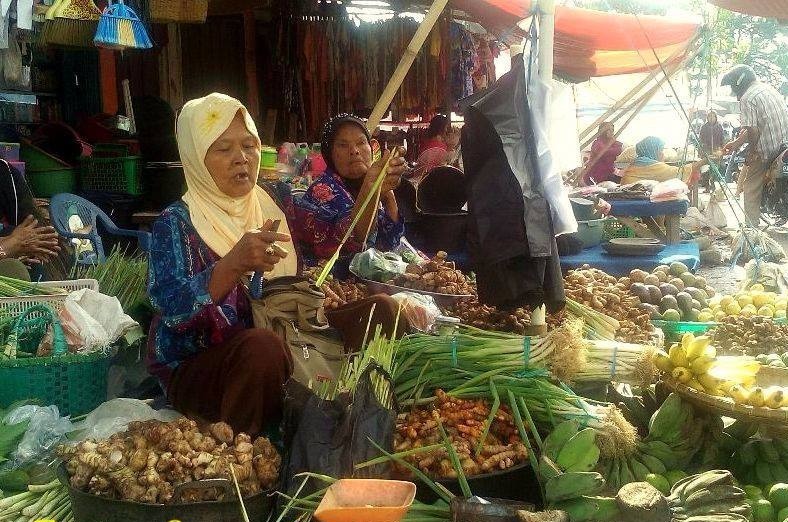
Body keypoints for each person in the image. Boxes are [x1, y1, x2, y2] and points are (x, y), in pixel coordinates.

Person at [147, 96, 404, 436]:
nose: (241, 158)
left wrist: (371, 191)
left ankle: (382, 423)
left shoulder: (275, 200)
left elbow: (338, 241)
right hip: (207, 365)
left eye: (249, 145)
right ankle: (249, 456)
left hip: (292, 335)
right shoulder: (176, 223)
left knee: (383, 310)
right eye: (223, 149)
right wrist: (234, 264)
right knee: (261, 347)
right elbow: (172, 311)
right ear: (195, 157)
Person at [293, 114, 408, 266]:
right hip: (330, 283)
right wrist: (371, 191)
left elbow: (391, 243)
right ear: (330, 154)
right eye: (342, 145)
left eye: (361, 142)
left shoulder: (372, 181)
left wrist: (388, 197)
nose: (354, 151)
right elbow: (354, 243)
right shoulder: (322, 191)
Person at [721, 64, 788, 226]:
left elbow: (753, 130)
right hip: (783, 147)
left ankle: (751, 231)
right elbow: (755, 126)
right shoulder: (769, 90)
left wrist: (751, 153)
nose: (735, 93)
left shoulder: (747, 98)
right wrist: (736, 143)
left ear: (739, 82)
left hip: (768, 150)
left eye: (733, 87)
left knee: (749, 187)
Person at [0, 160, 60, 279]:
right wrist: (11, 245)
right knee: (14, 268)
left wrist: (16, 242)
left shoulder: (7, 172)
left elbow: (30, 232)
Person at [620, 136, 706, 186]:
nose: (662, 154)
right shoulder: (650, 165)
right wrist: (704, 161)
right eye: (660, 150)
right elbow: (678, 172)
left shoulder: (638, 162)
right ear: (652, 150)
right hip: (635, 201)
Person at [411, 114, 461, 183]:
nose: (447, 130)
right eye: (446, 127)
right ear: (442, 128)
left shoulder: (426, 142)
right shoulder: (440, 147)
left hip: (422, 180)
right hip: (432, 181)